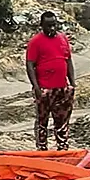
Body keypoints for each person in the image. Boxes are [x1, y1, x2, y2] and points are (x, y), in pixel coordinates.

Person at [26, 11, 75, 151]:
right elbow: (30, 64)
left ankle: (62, 147)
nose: (52, 29)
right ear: (42, 26)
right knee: (42, 120)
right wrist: (35, 86)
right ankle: (42, 148)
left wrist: (72, 83)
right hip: (44, 88)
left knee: (62, 120)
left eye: (54, 25)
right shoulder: (35, 42)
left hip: (63, 87)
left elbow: (68, 60)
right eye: (48, 26)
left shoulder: (63, 38)